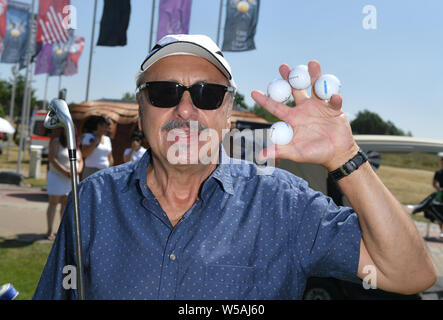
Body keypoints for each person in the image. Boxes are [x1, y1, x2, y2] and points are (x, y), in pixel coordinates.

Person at [33, 34, 436, 300]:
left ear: (228, 114)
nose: (186, 109)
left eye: (207, 95)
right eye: (164, 92)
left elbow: (410, 273)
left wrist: (345, 156)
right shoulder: (92, 200)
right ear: (141, 110)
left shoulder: (283, 205)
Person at [45, 127, 83, 241]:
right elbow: (52, 159)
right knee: (53, 203)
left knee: (66, 205)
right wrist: (65, 171)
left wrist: (78, 170)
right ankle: (50, 230)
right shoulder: (56, 142)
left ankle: (62, 231)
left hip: (71, 178)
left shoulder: (76, 145)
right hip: (57, 176)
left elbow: (80, 160)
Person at [432, 153, 443, 237]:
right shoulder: (438, 172)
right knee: (439, 212)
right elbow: (434, 183)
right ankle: (441, 231)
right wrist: (438, 189)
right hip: (441, 195)